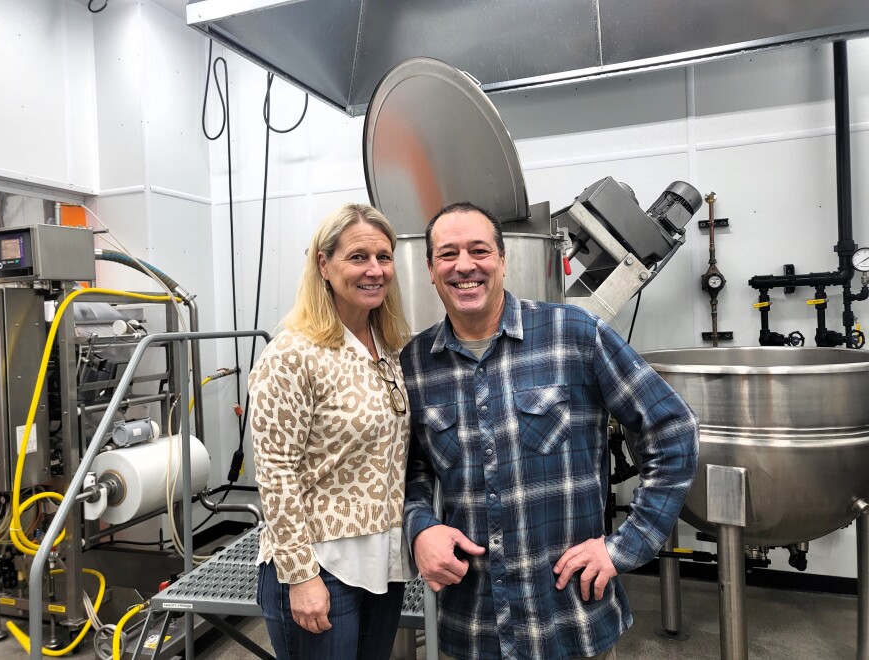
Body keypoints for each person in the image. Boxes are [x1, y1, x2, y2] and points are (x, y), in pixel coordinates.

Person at [401, 201, 699, 660]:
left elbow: (672, 429)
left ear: (502, 260)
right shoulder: (417, 363)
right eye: (448, 254)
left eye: (479, 250)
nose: (465, 266)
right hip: (472, 627)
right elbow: (411, 468)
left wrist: (629, 544)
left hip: (569, 620)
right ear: (430, 268)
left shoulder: (575, 334)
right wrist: (420, 528)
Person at [249, 203, 415, 660]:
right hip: (322, 566)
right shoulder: (293, 355)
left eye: (383, 257)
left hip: (384, 561)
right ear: (324, 264)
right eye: (358, 257)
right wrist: (301, 575)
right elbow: (276, 472)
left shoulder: (389, 348)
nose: (375, 270)